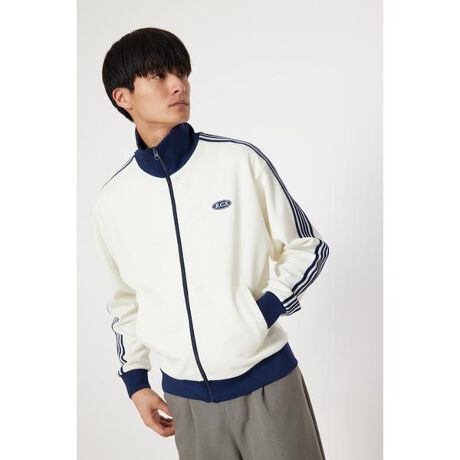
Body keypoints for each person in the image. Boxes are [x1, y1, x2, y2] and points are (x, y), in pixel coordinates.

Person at [93, 27, 330, 460]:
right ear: (122, 97)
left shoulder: (238, 161)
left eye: (182, 73)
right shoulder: (113, 201)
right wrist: (137, 382)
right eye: (160, 76)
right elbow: (126, 300)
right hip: (185, 402)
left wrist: (259, 314)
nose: (178, 85)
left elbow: (308, 247)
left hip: (267, 383)